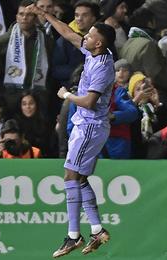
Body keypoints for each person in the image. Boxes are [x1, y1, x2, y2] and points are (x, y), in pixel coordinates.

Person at [28, 4, 115, 257]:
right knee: (80, 178)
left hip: (90, 126)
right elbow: (68, 33)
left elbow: (89, 101)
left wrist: (67, 94)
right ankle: (97, 230)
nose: (84, 37)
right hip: (86, 125)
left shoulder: (102, 67)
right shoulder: (94, 53)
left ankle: (73, 236)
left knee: (70, 178)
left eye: (89, 36)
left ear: (98, 44)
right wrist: (44, 15)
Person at [0, 0, 52, 113]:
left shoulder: (46, 41)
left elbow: (50, 67)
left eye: (29, 14)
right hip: (12, 94)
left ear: (35, 18)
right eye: (21, 14)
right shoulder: (5, 40)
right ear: (16, 17)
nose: (24, 18)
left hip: (37, 94)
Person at [14, 90, 52, 157]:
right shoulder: (15, 125)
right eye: (24, 104)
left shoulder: (46, 124)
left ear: (36, 104)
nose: (28, 107)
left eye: (31, 103)